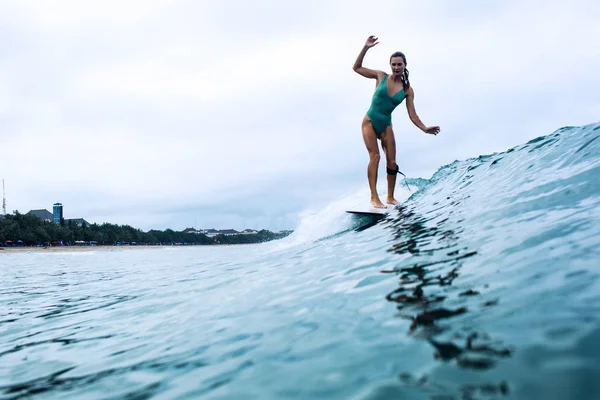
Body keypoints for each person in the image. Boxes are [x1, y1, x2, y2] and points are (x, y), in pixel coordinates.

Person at [353, 35, 440, 208]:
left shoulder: (407, 90)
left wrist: (425, 128)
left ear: (405, 66)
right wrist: (366, 47)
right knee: (375, 156)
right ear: (390, 65)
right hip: (370, 121)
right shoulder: (380, 76)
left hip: (386, 124)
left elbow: (412, 115)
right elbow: (357, 68)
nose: (396, 67)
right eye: (393, 64)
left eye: (399, 64)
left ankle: (390, 197)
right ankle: (374, 197)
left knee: (392, 162)